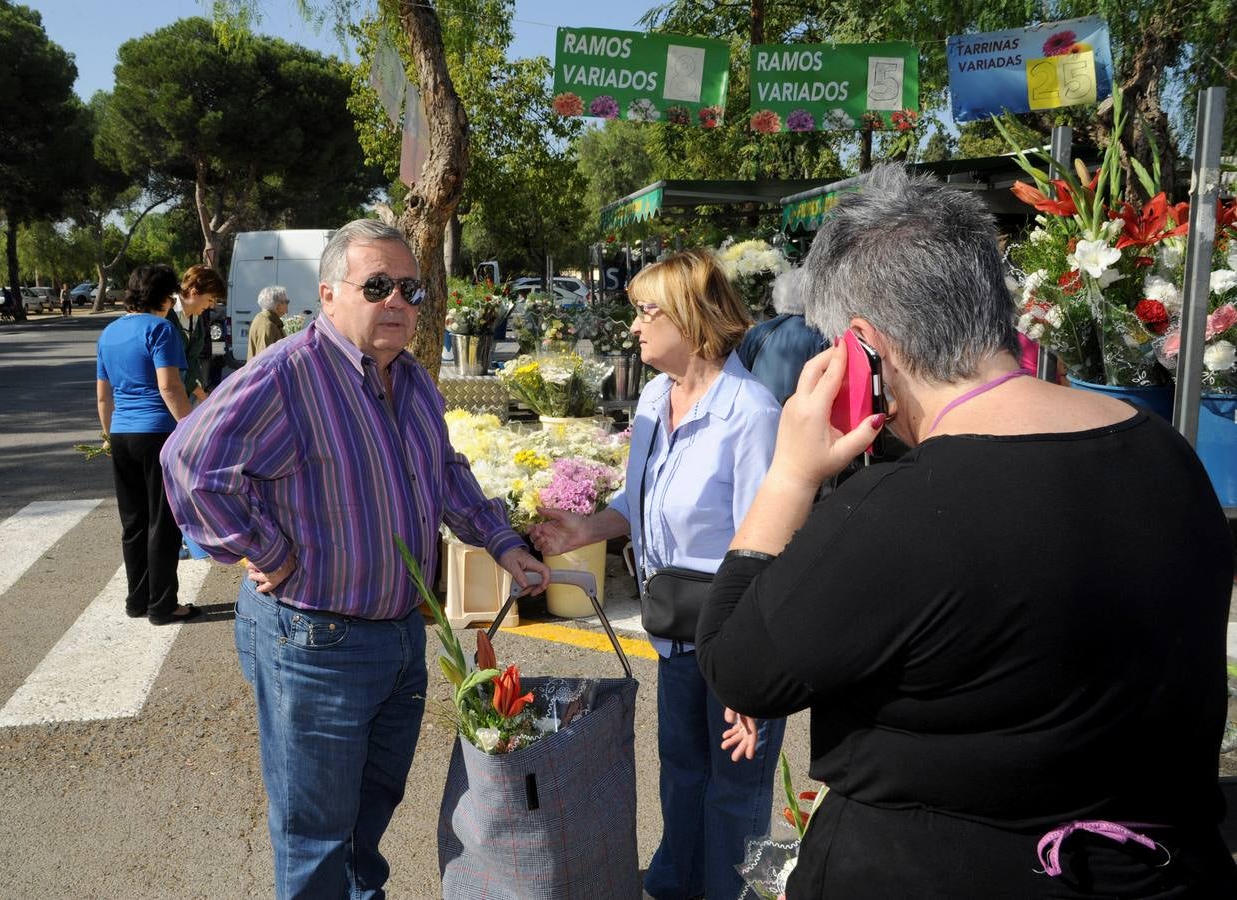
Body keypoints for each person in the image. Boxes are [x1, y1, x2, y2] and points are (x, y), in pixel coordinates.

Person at [697, 165, 1237, 898]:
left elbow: (738, 664)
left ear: (863, 348)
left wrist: (790, 476)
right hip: (1164, 872)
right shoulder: (1162, 451)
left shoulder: (901, 507)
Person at [159, 219, 550, 899]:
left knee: (369, 817)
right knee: (314, 833)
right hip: (315, 638)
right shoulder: (289, 374)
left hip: (401, 633)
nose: (397, 300)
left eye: (410, 288)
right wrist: (266, 551)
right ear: (329, 294)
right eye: (377, 285)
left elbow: (445, 471)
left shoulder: (413, 379)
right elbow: (189, 464)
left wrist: (504, 541)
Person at [530, 248, 785, 900]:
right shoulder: (652, 397)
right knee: (683, 776)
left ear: (693, 318)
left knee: (735, 797)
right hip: (674, 633)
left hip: (735, 639)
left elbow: (766, 550)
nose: (635, 327)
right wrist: (582, 531)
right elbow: (637, 505)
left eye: (648, 312)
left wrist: (750, 679)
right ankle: (677, 886)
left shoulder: (749, 412)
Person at [95, 264, 198, 625]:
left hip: (121, 434)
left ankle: (137, 600)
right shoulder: (161, 329)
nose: (173, 301)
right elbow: (170, 387)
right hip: (157, 432)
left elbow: (104, 397)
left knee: (134, 522)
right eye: (171, 295)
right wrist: (192, 429)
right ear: (163, 297)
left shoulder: (109, 333)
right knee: (163, 521)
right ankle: (163, 604)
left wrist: (108, 436)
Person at [736, 267, 829, 404]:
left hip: (758, 408)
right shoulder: (820, 336)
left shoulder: (758, 332)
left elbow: (739, 375)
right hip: (797, 414)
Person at [168, 264, 225, 405]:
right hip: (166, 402)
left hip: (188, 397)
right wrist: (200, 393)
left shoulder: (197, 315)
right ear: (194, 292)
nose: (212, 306)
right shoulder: (166, 313)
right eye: (210, 299)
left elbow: (192, 360)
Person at [247, 284, 288, 359]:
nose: (287, 304)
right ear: (278, 306)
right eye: (286, 301)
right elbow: (265, 360)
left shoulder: (262, 318)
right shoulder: (268, 325)